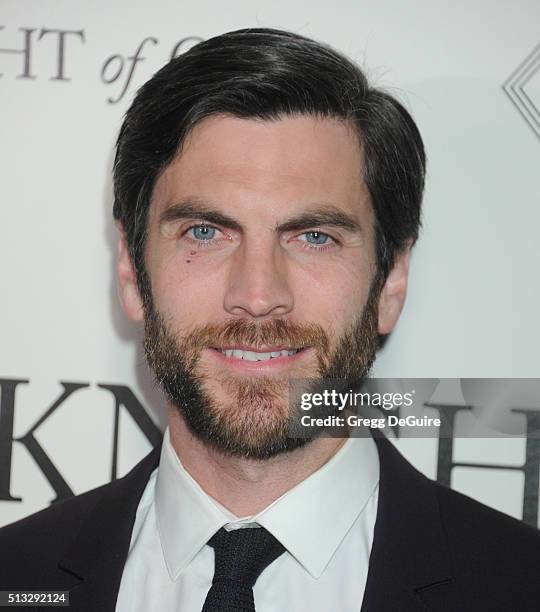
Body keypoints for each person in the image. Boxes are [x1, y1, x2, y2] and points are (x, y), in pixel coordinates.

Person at [0, 27, 539, 612]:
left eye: (314, 237)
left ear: (390, 280)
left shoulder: (519, 585)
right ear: (132, 272)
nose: (257, 296)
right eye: (205, 232)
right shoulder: (17, 576)